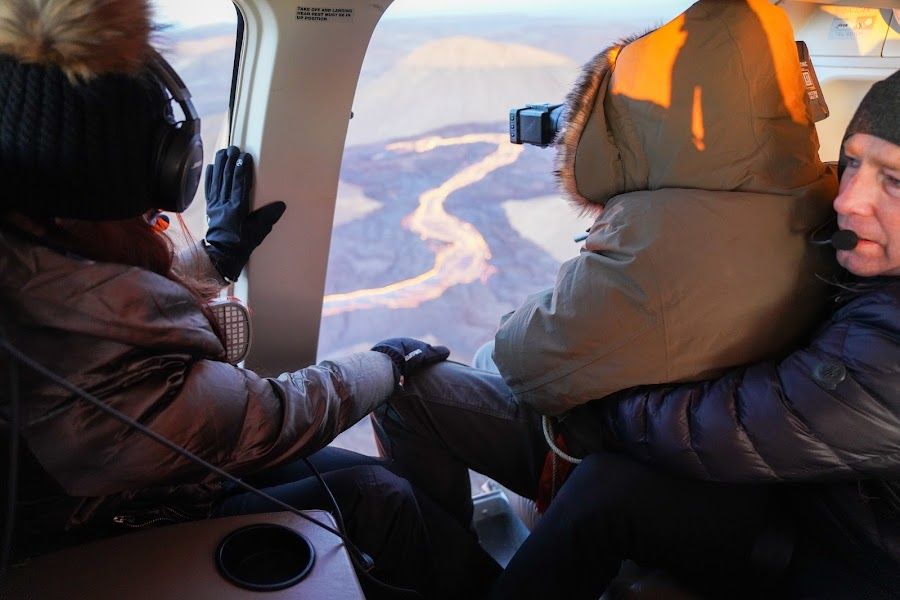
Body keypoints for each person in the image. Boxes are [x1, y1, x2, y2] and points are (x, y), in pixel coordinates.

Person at [0, 1, 498, 597]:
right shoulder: (87, 339)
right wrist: (386, 363)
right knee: (378, 494)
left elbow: (104, 306)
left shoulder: (30, 250)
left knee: (361, 473)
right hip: (105, 525)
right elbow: (270, 417)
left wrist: (218, 255)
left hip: (126, 486)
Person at [375, 70, 900, 597]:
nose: (847, 198)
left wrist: (604, 407)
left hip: (830, 554)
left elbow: (738, 427)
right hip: (788, 492)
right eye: (852, 161)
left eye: (894, 180)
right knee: (407, 388)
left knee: (607, 488)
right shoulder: (837, 246)